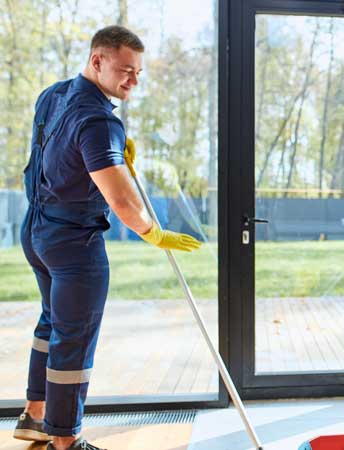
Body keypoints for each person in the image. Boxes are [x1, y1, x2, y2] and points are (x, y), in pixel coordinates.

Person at [14, 25, 201, 450]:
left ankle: (35, 415)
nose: (133, 81)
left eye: (138, 73)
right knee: (74, 339)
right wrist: (154, 234)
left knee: (52, 323)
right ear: (97, 61)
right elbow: (122, 201)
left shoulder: (53, 95)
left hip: (37, 231)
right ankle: (66, 441)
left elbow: (59, 159)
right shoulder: (99, 121)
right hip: (74, 243)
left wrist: (111, 153)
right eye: (125, 70)